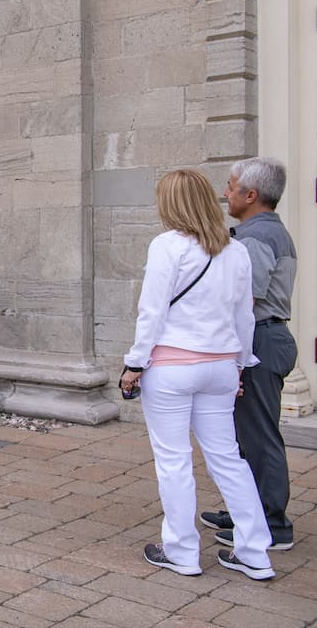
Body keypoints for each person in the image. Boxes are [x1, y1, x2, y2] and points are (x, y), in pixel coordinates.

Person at [121, 169, 273, 580]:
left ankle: (182, 551)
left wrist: (135, 363)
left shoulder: (167, 246)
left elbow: (152, 311)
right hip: (221, 366)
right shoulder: (236, 251)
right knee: (228, 459)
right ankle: (255, 551)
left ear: (170, 204)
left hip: (172, 366)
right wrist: (240, 365)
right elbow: (244, 317)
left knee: (174, 461)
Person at [201, 157, 298, 552]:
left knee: (259, 437)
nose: (225, 193)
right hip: (263, 337)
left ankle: (271, 525)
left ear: (251, 194)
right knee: (246, 434)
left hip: (259, 339)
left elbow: (245, 301)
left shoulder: (256, 238)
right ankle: (248, 510)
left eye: (230, 186)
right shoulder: (265, 231)